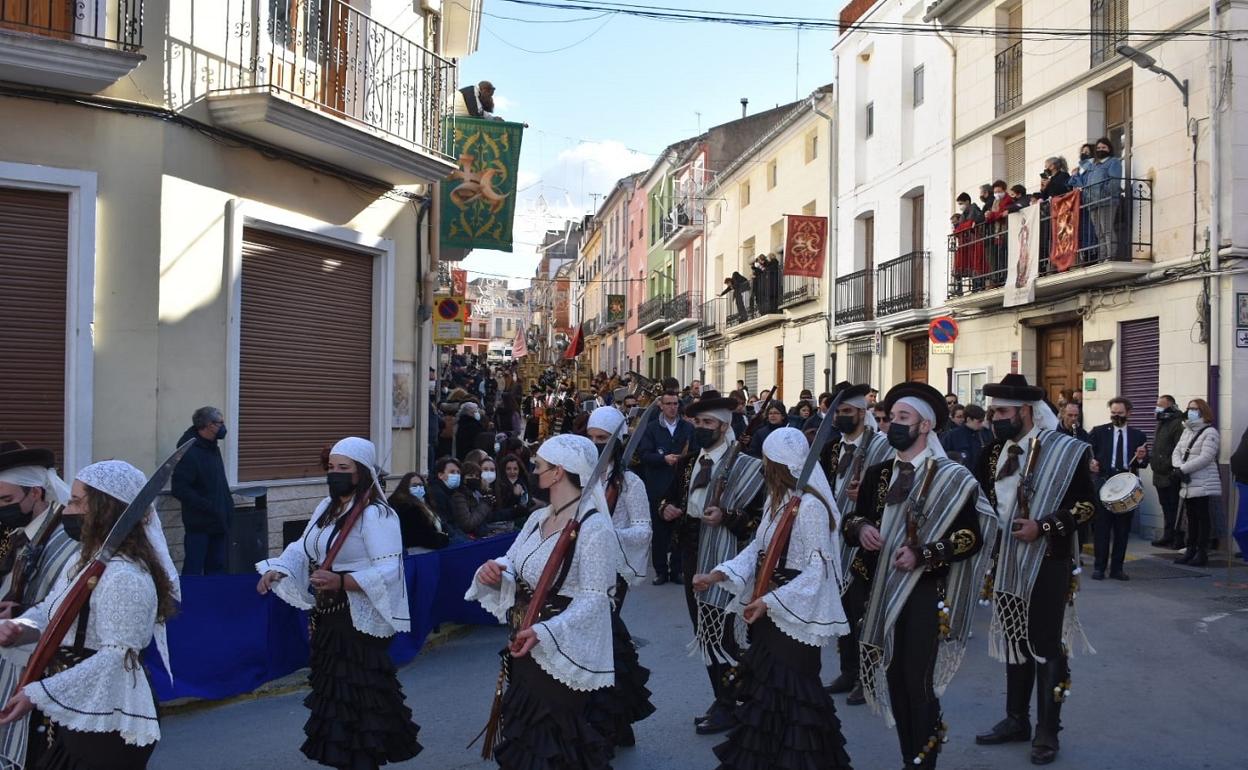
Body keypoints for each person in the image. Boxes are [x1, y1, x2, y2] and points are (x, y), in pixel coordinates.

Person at [846, 383, 997, 769]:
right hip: (880, 588)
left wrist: (923, 554)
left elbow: (971, 537)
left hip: (927, 591)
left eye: (902, 418)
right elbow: (853, 518)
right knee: (895, 678)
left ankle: (924, 762)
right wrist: (861, 528)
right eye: (891, 418)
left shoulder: (953, 477)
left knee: (918, 683)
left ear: (925, 425)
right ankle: (907, 757)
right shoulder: (880, 473)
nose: (892, 425)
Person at [0, 459, 180, 770]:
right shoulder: (85, 563)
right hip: (76, 702)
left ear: (105, 508)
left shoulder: (126, 575)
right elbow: (51, 612)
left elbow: (116, 658)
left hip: (106, 714)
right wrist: (21, 627)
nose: (67, 510)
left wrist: (37, 693)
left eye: (76, 502)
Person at [694, 427, 854, 770]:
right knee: (768, 694)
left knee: (793, 693)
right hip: (770, 606)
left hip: (794, 610)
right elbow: (758, 549)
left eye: (766, 461)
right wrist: (718, 574)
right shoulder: (778, 499)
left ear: (776, 463)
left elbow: (816, 572)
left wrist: (772, 601)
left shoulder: (809, 507)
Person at [257, 439, 419, 769]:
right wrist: (279, 568)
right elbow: (302, 547)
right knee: (337, 706)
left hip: (358, 622)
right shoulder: (326, 508)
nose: (335, 475)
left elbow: (390, 569)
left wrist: (343, 581)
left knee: (359, 706)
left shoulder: (377, 515)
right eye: (331, 468)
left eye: (343, 469)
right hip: (329, 619)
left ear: (361, 473)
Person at [465, 434, 616, 769]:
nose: (534, 471)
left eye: (539, 466)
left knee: (550, 734)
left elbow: (594, 599)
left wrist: (547, 632)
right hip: (525, 636)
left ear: (558, 472)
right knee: (525, 728)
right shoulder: (538, 518)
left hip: (560, 641)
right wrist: (495, 571)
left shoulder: (594, 528)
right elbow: (514, 560)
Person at [974, 375, 1096, 766]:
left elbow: (1086, 507)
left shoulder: (1066, 451)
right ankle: (1016, 719)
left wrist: (1043, 526)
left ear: (1025, 412)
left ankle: (1048, 730)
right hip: (1006, 561)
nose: (996, 419)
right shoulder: (991, 453)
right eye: (993, 412)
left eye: (1003, 412)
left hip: (1048, 559)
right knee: (1014, 640)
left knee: (1046, 645)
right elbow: (978, 500)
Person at [658, 391, 765, 735]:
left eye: (708, 423)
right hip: (692, 549)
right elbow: (668, 496)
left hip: (728, 553)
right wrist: (666, 508)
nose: (702, 428)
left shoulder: (747, 465)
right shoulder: (690, 462)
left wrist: (728, 517)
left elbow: (759, 520)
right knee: (704, 630)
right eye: (698, 422)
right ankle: (725, 697)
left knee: (725, 632)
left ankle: (734, 701)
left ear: (724, 425)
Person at [0, 442, 79, 770]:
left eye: (6, 500)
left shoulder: (67, 539)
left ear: (36, 493)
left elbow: (67, 603)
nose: (1, 508)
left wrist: (20, 615)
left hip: (44, 668)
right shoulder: (14, 531)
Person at [583, 408, 654, 750]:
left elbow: (642, 531)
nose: (596, 445)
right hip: (579, 569)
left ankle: (608, 726)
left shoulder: (631, 484)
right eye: (592, 438)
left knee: (603, 644)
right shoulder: (579, 474)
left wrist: (607, 533)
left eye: (603, 439)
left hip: (612, 571)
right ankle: (612, 723)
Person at [821, 383, 893, 706]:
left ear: (863, 414)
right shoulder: (832, 448)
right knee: (844, 611)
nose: (840, 417)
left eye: (847, 412)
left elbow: (894, 491)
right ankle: (848, 670)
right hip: (836, 536)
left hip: (867, 537)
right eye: (837, 412)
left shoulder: (883, 447)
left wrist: (863, 494)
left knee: (865, 611)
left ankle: (869, 677)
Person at [1087, 398, 1149, 580]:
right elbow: (1088, 453)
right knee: (1102, 528)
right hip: (1105, 481)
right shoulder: (1099, 432)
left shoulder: (1138, 436)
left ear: (1129, 413)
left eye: (1120, 413)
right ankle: (1099, 567)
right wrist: (1091, 463)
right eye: (1113, 413)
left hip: (1126, 484)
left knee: (1123, 529)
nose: (1116, 416)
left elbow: (1144, 462)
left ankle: (1117, 568)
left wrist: (1140, 458)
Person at [638, 391, 694, 585]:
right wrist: (663, 459)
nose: (672, 407)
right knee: (660, 533)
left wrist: (683, 459)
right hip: (658, 485)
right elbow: (644, 454)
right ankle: (661, 570)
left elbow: (694, 452)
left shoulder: (687, 427)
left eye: (675, 403)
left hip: (681, 486)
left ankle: (677, 570)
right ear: (661, 406)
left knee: (680, 530)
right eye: (668, 403)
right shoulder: (651, 428)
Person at [171, 406, 233, 575]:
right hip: (200, 526)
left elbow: (218, 482)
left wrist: (227, 506)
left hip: (219, 521)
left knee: (217, 569)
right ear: (208, 425)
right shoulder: (189, 451)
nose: (223, 427)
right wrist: (208, 505)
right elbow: (179, 488)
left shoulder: (212, 447)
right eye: (220, 423)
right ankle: (190, 601)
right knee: (194, 569)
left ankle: (215, 600)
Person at [1171, 399, 1220, 567]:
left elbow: (1206, 458)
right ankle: (1190, 550)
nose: (1191, 411)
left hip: (1203, 482)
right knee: (1190, 518)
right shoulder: (1187, 431)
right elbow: (1177, 452)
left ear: (1203, 411)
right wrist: (1178, 467)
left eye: (1195, 409)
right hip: (1188, 483)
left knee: (1202, 518)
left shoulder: (1210, 432)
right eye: (1189, 408)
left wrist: (1182, 469)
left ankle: (1202, 552)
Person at [1149, 396, 1186, 548]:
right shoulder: (1161, 423)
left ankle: (1177, 538)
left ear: (1170, 406)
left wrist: (1168, 465)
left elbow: (1179, 449)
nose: (1157, 408)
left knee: (1174, 507)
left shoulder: (1177, 424)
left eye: (1160, 405)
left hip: (1170, 474)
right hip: (1159, 474)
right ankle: (1168, 535)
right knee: (1165, 506)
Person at [1081, 137, 1124, 261]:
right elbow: (1086, 175)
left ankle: (1111, 256)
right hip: (1092, 203)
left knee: (1107, 230)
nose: (1101, 149)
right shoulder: (1094, 165)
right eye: (1098, 148)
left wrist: (1104, 194)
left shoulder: (1113, 162)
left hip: (1106, 201)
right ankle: (1102, 257)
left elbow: (1114, 182)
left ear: (1109, 149)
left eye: (1103, 147)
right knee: (1099, 233)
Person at [387, 473, 450, 552]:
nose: (418, 488)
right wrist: (443, 538)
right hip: (417, 552)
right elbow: (419, 536)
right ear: (405, 487)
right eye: (414, 485)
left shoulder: (426, 503)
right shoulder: (406, 507)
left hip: (431, 550)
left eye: (421, 485)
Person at [425, 456, 473, 543]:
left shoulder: (449, 492)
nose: (456, 475)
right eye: (452, 472)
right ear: (440, 475)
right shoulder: (437, 493)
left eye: (458, 472)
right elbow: (444, 523)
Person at [493, 454, 540, 528]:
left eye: (515, 469)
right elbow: (503, 507)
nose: (512, 472)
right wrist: (515, 496)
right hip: (508, 523)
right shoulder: (499, 485)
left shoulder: (525, 482)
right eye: (508, 469)